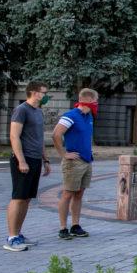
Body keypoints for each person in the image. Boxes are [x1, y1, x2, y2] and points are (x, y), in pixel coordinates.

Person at [4, 82, 52, 252]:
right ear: (33, 92)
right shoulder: (21, 110)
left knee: (26, 198)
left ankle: (18, 233)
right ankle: (11, 237)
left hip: (35, 159)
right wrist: (21, 160)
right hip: (22, 160)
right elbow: (14, 136)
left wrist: (45, 159)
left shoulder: (38, 111)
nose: (46, 95)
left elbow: (39, 138)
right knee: (18, 197)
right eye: (43, 92)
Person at [53, 88, 98, 240]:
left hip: (86, 160)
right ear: (90, 100)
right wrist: (64, 154)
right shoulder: (70, 116)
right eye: (96, 101)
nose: (97, 104)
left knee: (79, 194)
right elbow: (56, 134)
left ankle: (75, 225)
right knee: (67, 194)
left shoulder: (89, 116)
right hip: (74, 162)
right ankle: (63, 227)